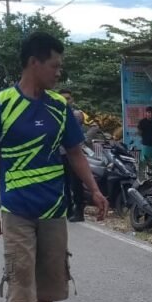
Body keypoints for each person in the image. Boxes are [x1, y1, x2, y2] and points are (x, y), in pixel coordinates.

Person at [0, 31, 108, 302]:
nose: (58, 73)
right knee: (20, 283)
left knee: (50, 282)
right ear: (34, 62)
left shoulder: (58, 106)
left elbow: (76, 153)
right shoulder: (0, 104)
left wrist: (94, 190)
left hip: (54, 209)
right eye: (54, 65)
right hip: (17, 209)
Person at [59, 89, 87, 223]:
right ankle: (68, 209)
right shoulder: (55, 113)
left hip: (75, 154)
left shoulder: (77, 114)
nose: (66, 101)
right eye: (63, 98)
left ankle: (79, 211)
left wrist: (84, 140)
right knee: (64, 183)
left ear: (72, 100)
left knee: (76, 183)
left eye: (68, 98)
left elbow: (93, 126)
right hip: (60, 154)